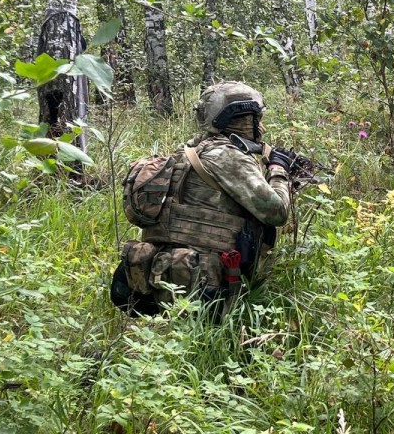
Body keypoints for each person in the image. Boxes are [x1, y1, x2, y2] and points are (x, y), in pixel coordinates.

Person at [111, 82, 293, 317]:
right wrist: (278, 169)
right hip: (204, 279)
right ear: (242, 118)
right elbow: (276, 212)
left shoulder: (189, 150)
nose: (261, 126)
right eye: (256, 118)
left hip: (166, 271)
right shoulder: (227, 156)